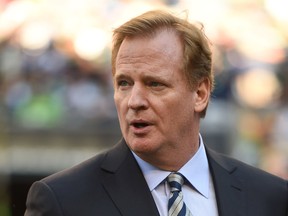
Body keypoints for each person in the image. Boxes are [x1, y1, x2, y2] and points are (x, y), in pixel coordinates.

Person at [25, 10, 288, 216]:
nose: (134, 101)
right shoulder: (63, 200)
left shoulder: (271, 197)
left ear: (200, 94)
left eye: (154, 84)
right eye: (124, 83)